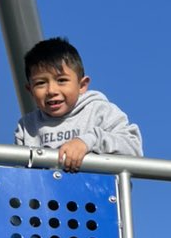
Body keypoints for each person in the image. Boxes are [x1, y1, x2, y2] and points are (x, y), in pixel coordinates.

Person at [15, 37, 143, 171]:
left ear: (82, 85)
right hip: (45, 191)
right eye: (40, 83)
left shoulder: (99, 111)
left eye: (62, 80)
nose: (51, 91)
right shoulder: (27, 127)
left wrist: (89, 141)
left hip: (96, 190)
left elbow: (133, 148)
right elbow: (19, 174)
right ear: (30, 90)